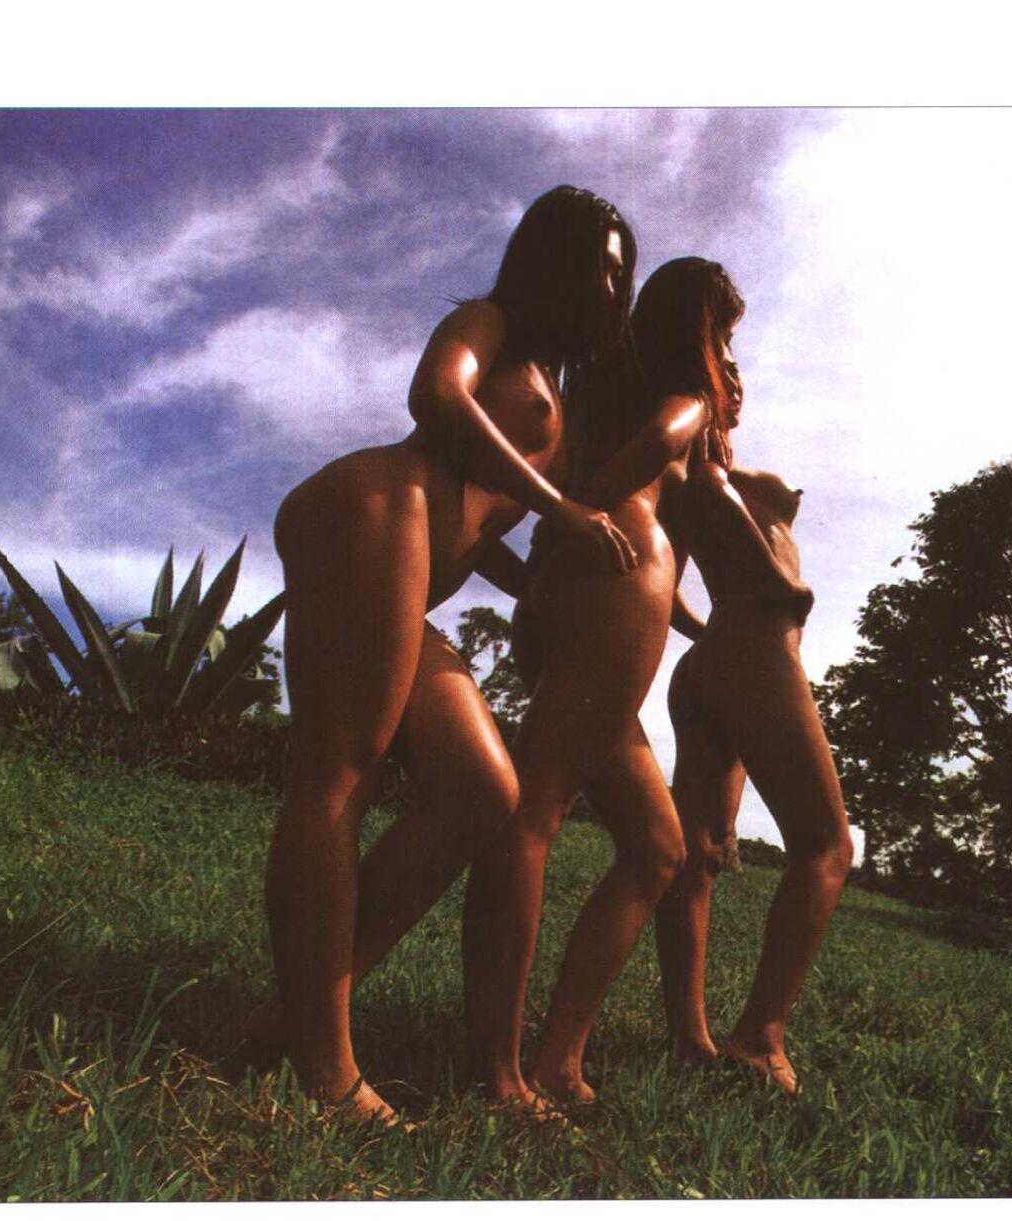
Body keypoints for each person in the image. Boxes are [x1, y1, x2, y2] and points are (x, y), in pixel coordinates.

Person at [251, 186, 639, 1125]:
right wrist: (558, 508)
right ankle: (325, 1071)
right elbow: (435, 395)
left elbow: (478, 518)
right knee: (339, 773)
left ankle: (298, 1010)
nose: (607, 286)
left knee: (483, 789)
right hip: (372, 506)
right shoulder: (488, 323)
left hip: (408, 556)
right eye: (594, 263)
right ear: (547, 260)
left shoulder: (556, 385)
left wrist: (533, 581)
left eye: (620, 273)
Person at [461, 258, 748, 1112]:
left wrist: (567, 543)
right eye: (726, 338)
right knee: (534, 813)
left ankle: (558, 1059)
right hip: (617, 583)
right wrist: (580, 510)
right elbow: (662, 442)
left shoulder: (591, 402)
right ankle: (499, 1069)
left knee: (659, 847)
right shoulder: (679, 398)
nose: (730, 358)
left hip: (568, 597)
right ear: (701, 333)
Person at [655, 421, 854, 1095]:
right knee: (827, 845)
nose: (735, 383)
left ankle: (690, 1038)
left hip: (717, 655)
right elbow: (707, 494)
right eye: (727, 373)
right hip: (757, 647)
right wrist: (782, 591)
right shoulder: (696, 459)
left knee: (702, 850)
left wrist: (708, 633)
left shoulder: (687, 463)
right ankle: (759, 1039)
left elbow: (668, 575)